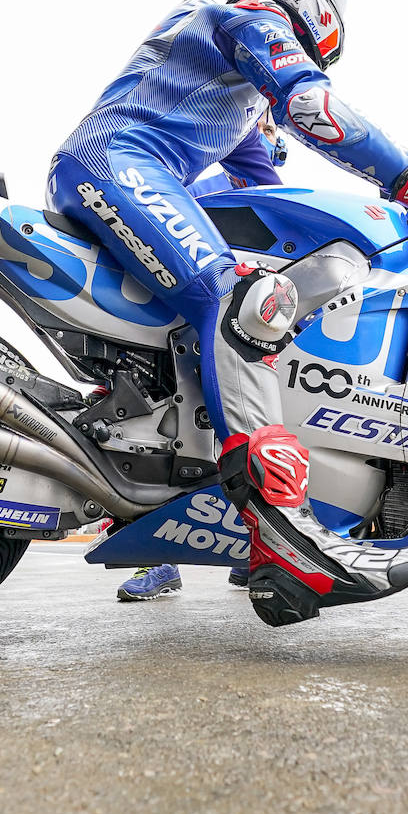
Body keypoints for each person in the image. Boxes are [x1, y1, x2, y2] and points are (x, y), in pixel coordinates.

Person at [52, 0, 408, 626]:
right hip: (118, 163)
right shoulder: (250, 20)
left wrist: (383, 234)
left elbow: (267, 189)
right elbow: (315, 110)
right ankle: (287, 542)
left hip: (130, 169)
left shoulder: (230, 86)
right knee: (246, 303)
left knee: (262, 297)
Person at [115, 110, 284, 602]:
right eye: (262, 132)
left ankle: (249, 550)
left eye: (271, 135)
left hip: (233, 336)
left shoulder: (275, 196)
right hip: (167, 331)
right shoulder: (196, 187)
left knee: (240, 436)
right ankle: (158, 562)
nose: (265, 142)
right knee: (156, 443)